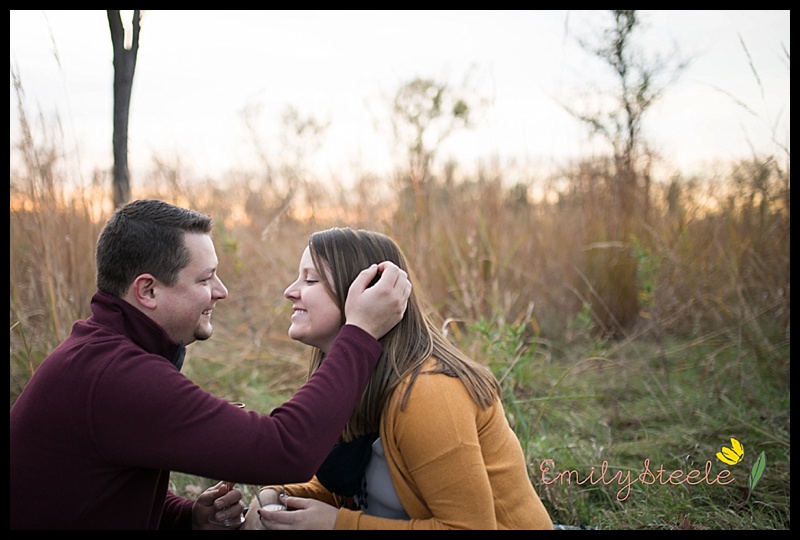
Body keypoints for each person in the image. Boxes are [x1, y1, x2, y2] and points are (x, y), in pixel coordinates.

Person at [9, 200, 411, 530]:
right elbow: (285, 449)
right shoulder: (117, 376)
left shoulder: (104, 353)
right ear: (148, 290)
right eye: (206, 279)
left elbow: (99, 490)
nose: (221, 292)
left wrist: (185, 516)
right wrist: (360, 331)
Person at [242, 227, 553, 530]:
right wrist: (279, 494)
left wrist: (338, 525)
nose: (290, 291)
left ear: (365, 293)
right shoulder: (354, 380)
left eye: (311, 279)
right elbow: (348, 485)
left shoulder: (428, 394)